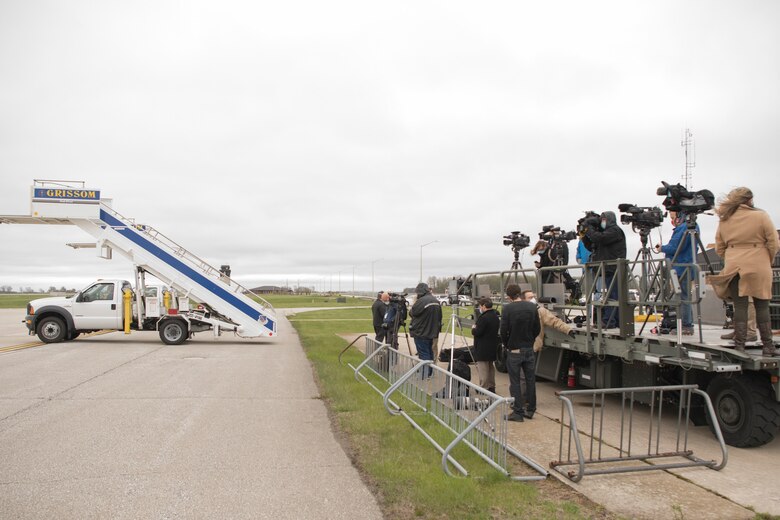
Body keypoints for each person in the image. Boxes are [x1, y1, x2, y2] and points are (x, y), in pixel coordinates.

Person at [708, 187, 779, 355]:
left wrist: (732, 256)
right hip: (758, 263)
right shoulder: (761, 216)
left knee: (740, 306)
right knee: (762, 306)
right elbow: (773, 243)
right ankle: (768, 346)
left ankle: (739, 345)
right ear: (749, 200)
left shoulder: (725, 220)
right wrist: (766, 259)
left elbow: (719, 247)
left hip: (734, 266)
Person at [499, 284, 541, 421]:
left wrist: (507, 344)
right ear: (519, 293)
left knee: (515, 382)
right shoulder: (531, 307)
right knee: (530, 380)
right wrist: (530, 340)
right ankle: (531, 409)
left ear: (509, 296)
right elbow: (537, 328)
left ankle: (518, 411)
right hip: (529, 348)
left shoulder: (507, 309)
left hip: (514, 349)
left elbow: (503, 330)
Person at [655, 210, 699, 335]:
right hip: (687, 265)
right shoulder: (693, 225)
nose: (672, 220)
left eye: (673, 217)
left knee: (683, 297)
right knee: (686, 296)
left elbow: (675, 247)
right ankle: (687, 324)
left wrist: (661, 248)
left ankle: (686, 325)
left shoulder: (683, 228)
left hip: (681, 266)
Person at [582, 211, 627, 328]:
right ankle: (615, 321)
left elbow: (599, 238)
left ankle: (609, 321)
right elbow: (592, 246)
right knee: (612, 295)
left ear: (609, 220)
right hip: (607, 268)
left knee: (613, 296)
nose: (602, 223)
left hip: (614, 268)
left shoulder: (615, 231)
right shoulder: (606, 233)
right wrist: (584, 235)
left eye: (603, 220)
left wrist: (589, 228)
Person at [409, 283, 443, 374]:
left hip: (421, 332)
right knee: (430, 352)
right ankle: (429, 372)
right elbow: (439, 316)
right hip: (432, 331)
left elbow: (412, 313)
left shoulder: (421, 301)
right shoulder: (436, 300)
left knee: (423, 353)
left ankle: (425, 373)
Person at [471, 297, 500, 394]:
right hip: (492, 345)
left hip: (482, 347)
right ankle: (492, 386)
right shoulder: (495, 316)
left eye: (480, 306)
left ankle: (484, 387)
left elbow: (477, 332)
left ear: (483, 306)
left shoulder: (483, 318)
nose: (480, 308)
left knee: (483, 369)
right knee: (490, 368)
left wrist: (473, 328)